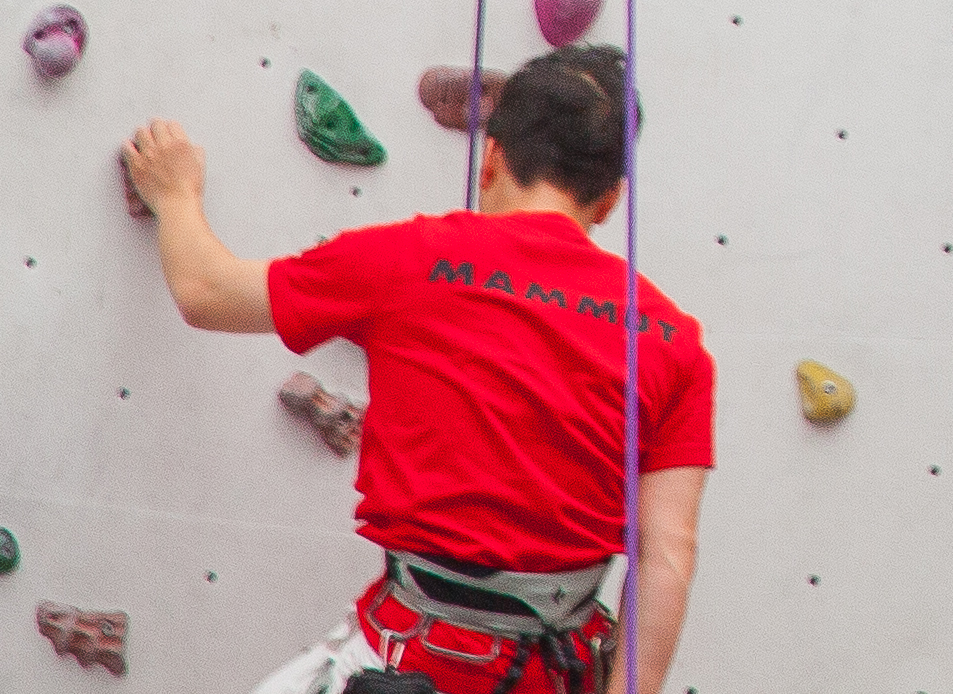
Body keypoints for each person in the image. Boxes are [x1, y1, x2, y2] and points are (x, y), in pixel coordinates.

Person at [126, 43, 712, 694]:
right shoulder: (672, 339)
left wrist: (174, 194)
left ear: (491, 158)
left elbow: (207, 292)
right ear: (610, 200)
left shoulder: (408, 261)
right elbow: (667, 553)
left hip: (417, 656)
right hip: (560, 671)